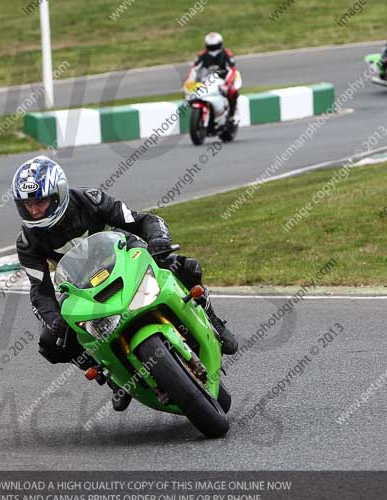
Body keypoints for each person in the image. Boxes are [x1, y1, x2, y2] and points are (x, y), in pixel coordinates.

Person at [13, 156, 238, 412]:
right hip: (79, 285)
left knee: (185, 267)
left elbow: (144, 220)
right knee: (51, 342)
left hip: (124, 257)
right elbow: (39, 290)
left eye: (40, 202)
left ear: (58, 194)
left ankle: (213, 320)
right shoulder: (27, 241)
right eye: (28, 205)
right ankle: (111, 376)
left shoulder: (89, 199)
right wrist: (53, 319)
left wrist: (158, 240)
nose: (34, 211)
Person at [193, 32, 238, 125]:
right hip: (207, 79)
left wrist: (228, 83)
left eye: (215, 46)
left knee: (232, 90)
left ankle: (232, 114)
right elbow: (194, 69)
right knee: (194, 93)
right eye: (211, 47)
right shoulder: (201, 55)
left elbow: (232, 70)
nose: (213, 49)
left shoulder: (227, 53)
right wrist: (190, 81)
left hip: (224, 78)